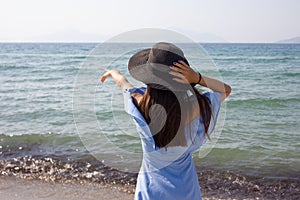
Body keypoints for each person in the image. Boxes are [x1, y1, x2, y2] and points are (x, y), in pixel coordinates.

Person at [100, 42, 231, 200]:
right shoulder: (195, 108)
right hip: (185, 191)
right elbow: (225, 89)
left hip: (150, 190)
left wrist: (114, 73)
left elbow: (123, 84)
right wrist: (196, 78)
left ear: (148, 78)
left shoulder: (138, 104)